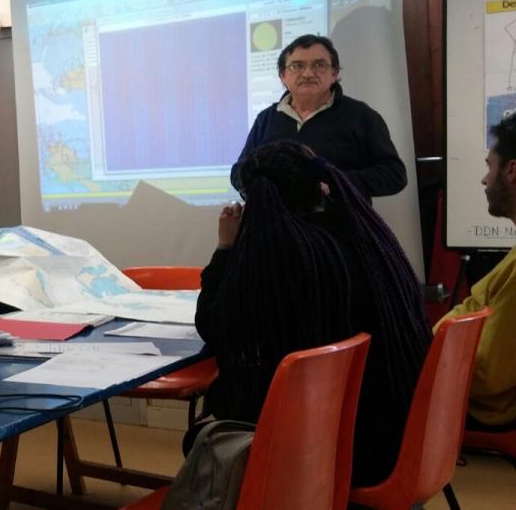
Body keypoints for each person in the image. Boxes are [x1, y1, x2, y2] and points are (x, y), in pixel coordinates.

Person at [196, 140, 430, 486]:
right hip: (393, 437)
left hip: (328, 452)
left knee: (209, 422)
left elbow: (213, 326)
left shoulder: (281, 259)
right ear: (320, 186)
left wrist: (224, 248)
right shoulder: (361, 239)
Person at [230, 34, 407, 199]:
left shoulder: (361, 116)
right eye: (297, 66)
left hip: (339, 222)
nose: (308, 73)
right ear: (283, 76)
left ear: (334, 73)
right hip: (274, 221)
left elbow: (394, 175)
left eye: (319, 65)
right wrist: (259, 188)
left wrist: (335, 182)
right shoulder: (266, 119)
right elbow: (239, 170)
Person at [437, 113, 516, 430]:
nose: (485, 180)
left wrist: (426, 356)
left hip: (486, 408)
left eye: (489, 166)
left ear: (511, 170)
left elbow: (488, 374)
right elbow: (473, 305)